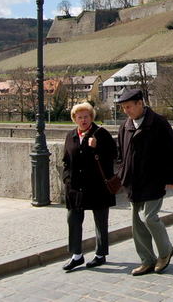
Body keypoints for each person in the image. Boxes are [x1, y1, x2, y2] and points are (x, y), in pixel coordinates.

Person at [115, 88, 173, 276]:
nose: (126, 111)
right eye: (124, 108)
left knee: (149, 217)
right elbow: (120, 153)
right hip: (133, 182)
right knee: (137, 223)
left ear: (140, 103)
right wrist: (122, 173)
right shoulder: (125, 126)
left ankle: (166, 251)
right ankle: (147, 260)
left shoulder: (158, 123)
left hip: (153, 179)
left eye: (129, 106)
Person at [61, 102, 118, 271]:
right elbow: (66, 160)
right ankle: (76, 255)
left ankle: (100, 254)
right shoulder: (71, 135)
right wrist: (66, 179)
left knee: (100, 221)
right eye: (80, 117)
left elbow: (114, 155)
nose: (83, 120)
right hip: (75, 187)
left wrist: (97, 147)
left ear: (91, 117)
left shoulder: (101, 134)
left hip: (97, 186)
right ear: (74, 119)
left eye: (86, 116)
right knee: (73, 220)